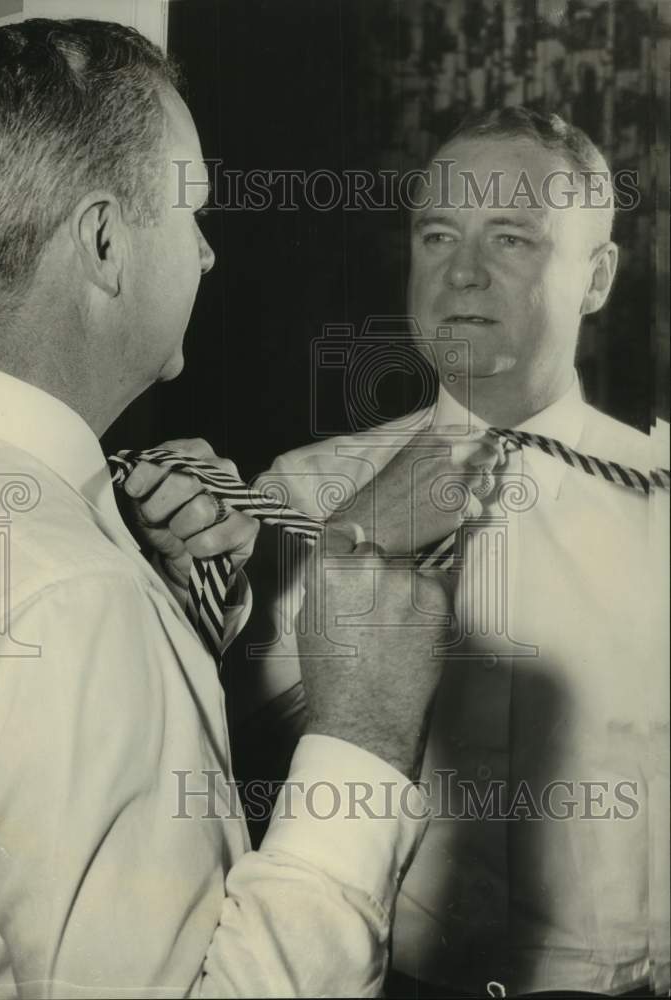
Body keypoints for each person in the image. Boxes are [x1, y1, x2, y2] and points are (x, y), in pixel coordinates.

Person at [0, 19, 450, 998]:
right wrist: (362, 731)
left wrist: (154, 587)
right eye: (190, 214)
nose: (205, 256)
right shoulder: (66, 597)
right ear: (105, 242)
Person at [235, 108, 669, 997]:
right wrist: (352, 540)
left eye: (511, 239)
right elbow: (224, 758)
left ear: (597, 277)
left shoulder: (660, 499)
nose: (461, 273)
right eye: (438, 235)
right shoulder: (298, 497)